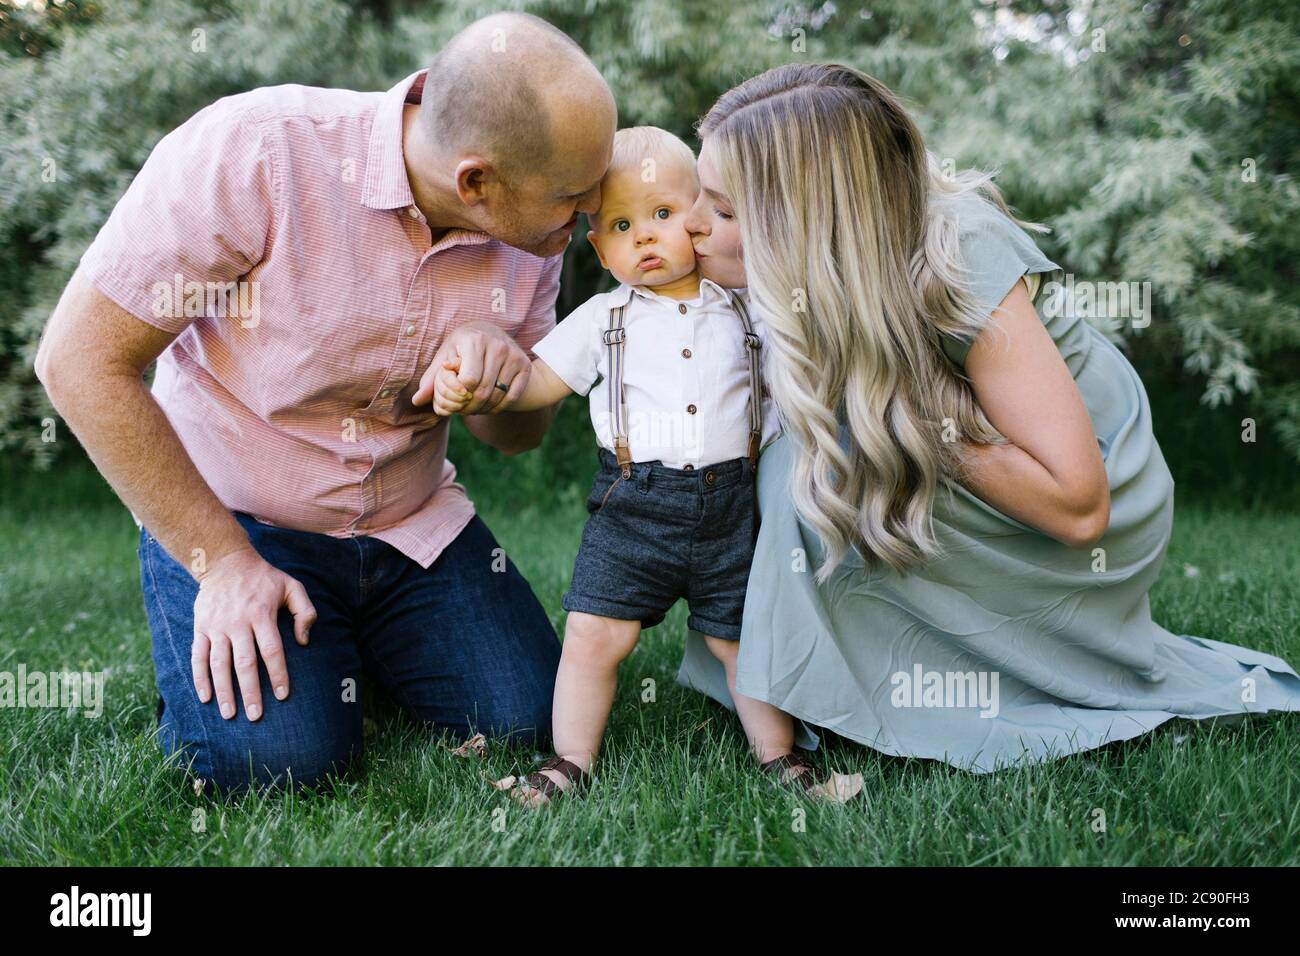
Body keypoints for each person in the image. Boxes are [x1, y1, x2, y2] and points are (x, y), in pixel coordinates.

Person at [33, 12, 617, 795]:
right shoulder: (259, 149)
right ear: (477, 180)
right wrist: (225, 566)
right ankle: (249, 635)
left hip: (410, 527)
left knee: (532, 719)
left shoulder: (533, 233)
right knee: (282, 765)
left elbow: (513, 437)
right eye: (573, 201)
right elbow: (78, 362)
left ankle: (342, 651)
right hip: (242, 520)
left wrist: (499, 376)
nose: (585, 223)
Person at [675, 62, 1300, 774]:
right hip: (995, 463)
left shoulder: (960, 254)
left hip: (1085, 497)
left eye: (724, 210)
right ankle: (820, 676)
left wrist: (900, 406)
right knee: (808, 450)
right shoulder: (822, 279)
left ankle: (889, 681)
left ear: (811, 221)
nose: (693, 223)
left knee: (811, 461)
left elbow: (1078, 508)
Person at [434, 127, 862, 803]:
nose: (645, 237)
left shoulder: (748, 310)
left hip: (731, 507)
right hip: (632, 510)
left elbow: (803, 380)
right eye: (621, 225)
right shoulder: (604, 319)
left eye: (662, 215)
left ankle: (781, 757)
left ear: (698, 217)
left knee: (741, 640)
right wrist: (482, 388)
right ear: (600, 249)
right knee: (593, 636)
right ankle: (570, 760)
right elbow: (536, 382)